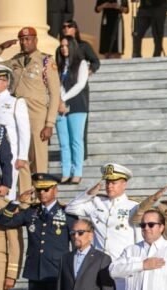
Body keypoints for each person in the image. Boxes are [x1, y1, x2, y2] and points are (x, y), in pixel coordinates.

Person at [0, 27, 61, 176]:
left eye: (28, 39)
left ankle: (40, 188)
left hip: (36, 115)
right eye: (21, 40)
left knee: (38, 157)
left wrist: (49, 124)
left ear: (36, 40)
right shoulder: (15, 60)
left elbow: (55, 95)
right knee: (21, 156)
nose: (24, 42)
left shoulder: (46, 61)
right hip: (16, 113)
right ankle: (25, 190)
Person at [0, 64, 32, 200]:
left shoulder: (16, 102)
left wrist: (22, 156)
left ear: (6, 82)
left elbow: (24, 131)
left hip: (9, 152)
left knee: (7, 191)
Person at [56, 36, 90, 185]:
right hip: (60, 106)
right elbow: (57, 85)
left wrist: (63, 98)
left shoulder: (81, 63)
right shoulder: (59, 65)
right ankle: (65, 172)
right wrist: (59, 101)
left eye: (66, 46)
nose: (64, 49)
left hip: (77, 105)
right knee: (64, 142)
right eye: (62, 46)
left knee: (76, 140)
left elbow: (80, 85)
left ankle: (77, 172)